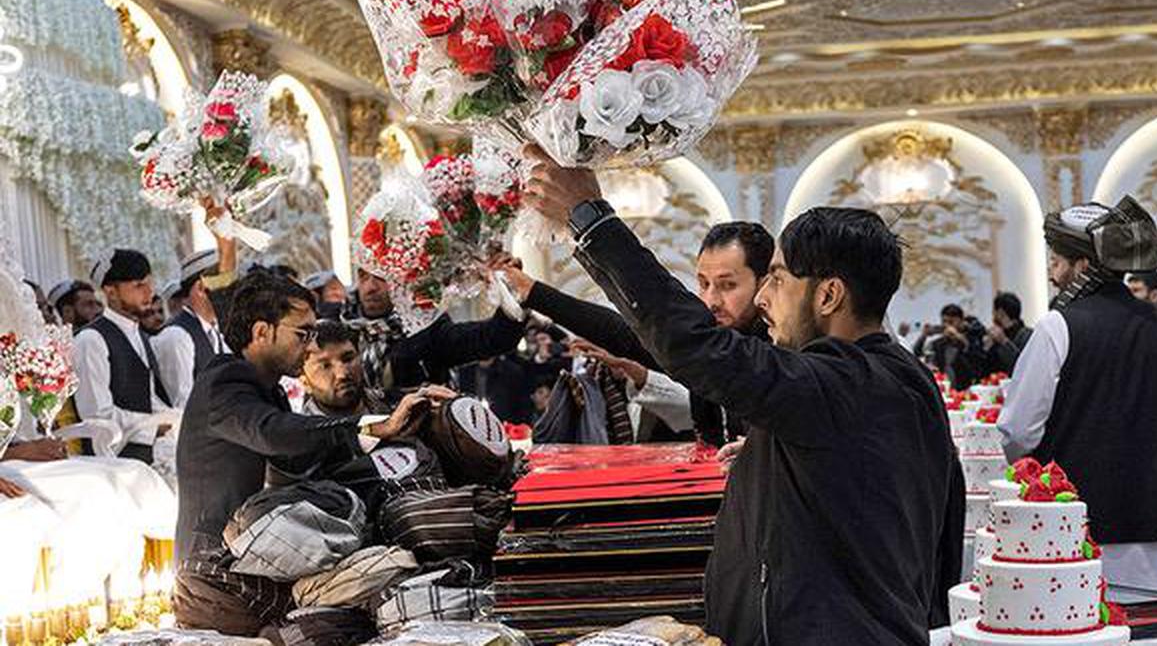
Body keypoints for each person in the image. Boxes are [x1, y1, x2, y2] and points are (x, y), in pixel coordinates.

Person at [522, 146, 963, 644]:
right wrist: (771, 457)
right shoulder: (887, 378)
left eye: (776, 277)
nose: (761, 297)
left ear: (828, 295)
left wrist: (592, 218)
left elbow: (696, 346)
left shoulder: (846, 383)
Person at [173, 271, 451, 638]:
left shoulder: (264, 389)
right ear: (261, 332)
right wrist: (368, 427)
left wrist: (410, 417)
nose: (308, 347)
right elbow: (275, 435)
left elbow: (300, 461)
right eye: (301, 334)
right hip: (213, 575)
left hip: (247, 560)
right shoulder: (225, 383)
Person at [998, 197, 1157, 590]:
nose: (1053, 275)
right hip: (1155, 533)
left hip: (1069, 535)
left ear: (1084, 266)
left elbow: (1018, 432)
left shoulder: (1057, 328)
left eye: (1057, 262)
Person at [501, 221, 775, 447]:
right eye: (703, 284)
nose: (711, 300)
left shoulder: (778, 348)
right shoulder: (710, 333)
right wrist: (531, 291)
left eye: (727, 285)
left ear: (764, 284)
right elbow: (623, 333)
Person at [342, 267, 526, 405]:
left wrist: (511, 289)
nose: (370, 287)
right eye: (363, 277)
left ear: (401, 282)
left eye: (380, 277)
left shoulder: (427, 330)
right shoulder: (343, 330)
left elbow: (493, 337)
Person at [73, 250, 176, 463]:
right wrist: (154, 425)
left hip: (142, 461)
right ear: (110, 291)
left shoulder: (140, 335)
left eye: (150, 283)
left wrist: (175, 417)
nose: (149, 293)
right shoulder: (91, 340)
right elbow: (97, 417)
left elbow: (145, 398)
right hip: (110, 467)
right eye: (139, 285)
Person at [153, 249, 230, 409]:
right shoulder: (176, 337)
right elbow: (183, 406)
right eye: (226, 282)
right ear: (201, 288)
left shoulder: (216, 333)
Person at [924, 304, 987, 390]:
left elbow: (975, 368)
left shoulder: (970, 342)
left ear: (961, 322)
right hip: (944, 389)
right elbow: (919, 353)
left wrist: (960, 339)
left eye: (951, 322)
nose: (947, 326)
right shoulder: (939, 343)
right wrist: (923, 336)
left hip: (966, 389)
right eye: (944, 322)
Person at [985, 291, 1032, 375]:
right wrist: (987, 348)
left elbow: (1023, 367)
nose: (993, 315)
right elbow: (987, 372)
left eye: (994, 311)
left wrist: (1004, 342)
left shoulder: (1027, 335)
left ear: (1000, 312)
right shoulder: (995, 336)